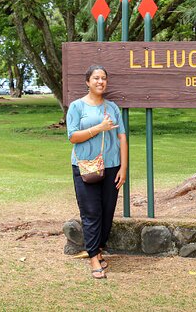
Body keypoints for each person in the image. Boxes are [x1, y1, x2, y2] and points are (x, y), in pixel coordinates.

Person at [67, 65, 127, 279]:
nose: (100, 82)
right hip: (85, 166)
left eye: (103, 78)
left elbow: (122, 137)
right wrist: (98, 129)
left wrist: (124, 167)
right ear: (87, 82)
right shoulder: (76, 107)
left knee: (107, 212)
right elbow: (72, 136)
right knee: (91, 212)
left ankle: (98, 248)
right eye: (96, 78)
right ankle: (93, 257)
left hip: (111, 166)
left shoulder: (112, 107)